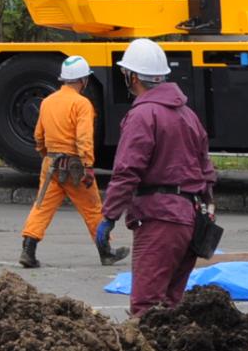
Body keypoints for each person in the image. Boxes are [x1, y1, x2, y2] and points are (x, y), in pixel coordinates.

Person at [97, 37, 218, 315]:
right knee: (172, 306)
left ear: (133, 77)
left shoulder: (143, 115)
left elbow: (127, 171)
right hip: (191, 220)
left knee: (146, 307)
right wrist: (207, 208)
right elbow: (206, 169)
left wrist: (109, 216)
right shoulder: (187, 114)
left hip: (159, 219)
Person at [18, 55, 129, 270]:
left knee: (41, 206)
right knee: (92, 209)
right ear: (83, 80)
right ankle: (105, 252)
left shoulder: (48, 101)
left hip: (50, 164)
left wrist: (45, 156)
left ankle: (28, 250)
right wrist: (87, 166)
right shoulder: (82, 104)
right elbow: (84, 138)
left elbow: (39, 136)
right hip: (75, 167)